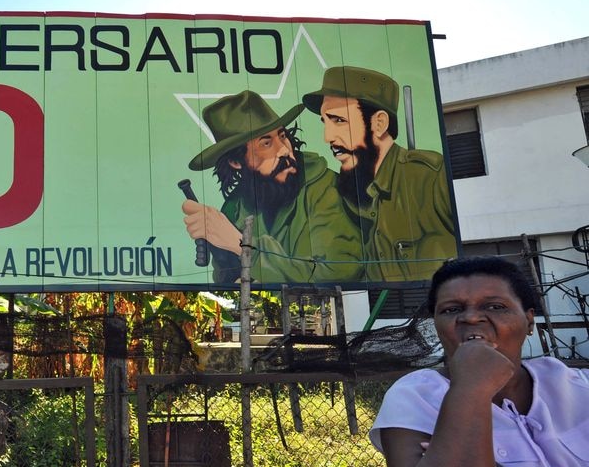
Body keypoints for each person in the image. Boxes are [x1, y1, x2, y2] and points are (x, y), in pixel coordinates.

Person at [370, 256, 589, 466]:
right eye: (451, 309)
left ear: (529, 321)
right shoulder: (414, 398)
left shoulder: (576, 385)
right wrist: (470, 389)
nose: (471, 318)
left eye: (495, 306)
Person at [182, 90, 362, 284]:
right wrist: (221, 251)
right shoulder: (235, 208)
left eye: (282, 136)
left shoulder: (325, 189)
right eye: (267, 143)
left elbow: (339, 272)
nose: (284, 150)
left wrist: (240, 245)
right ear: (236, 161)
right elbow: (230, 284)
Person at [302, 66, 456, 282]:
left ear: (379, 123)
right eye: (325, 122)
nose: (328, 137)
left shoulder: (430, 178)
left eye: (339, 120)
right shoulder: (345, 196)